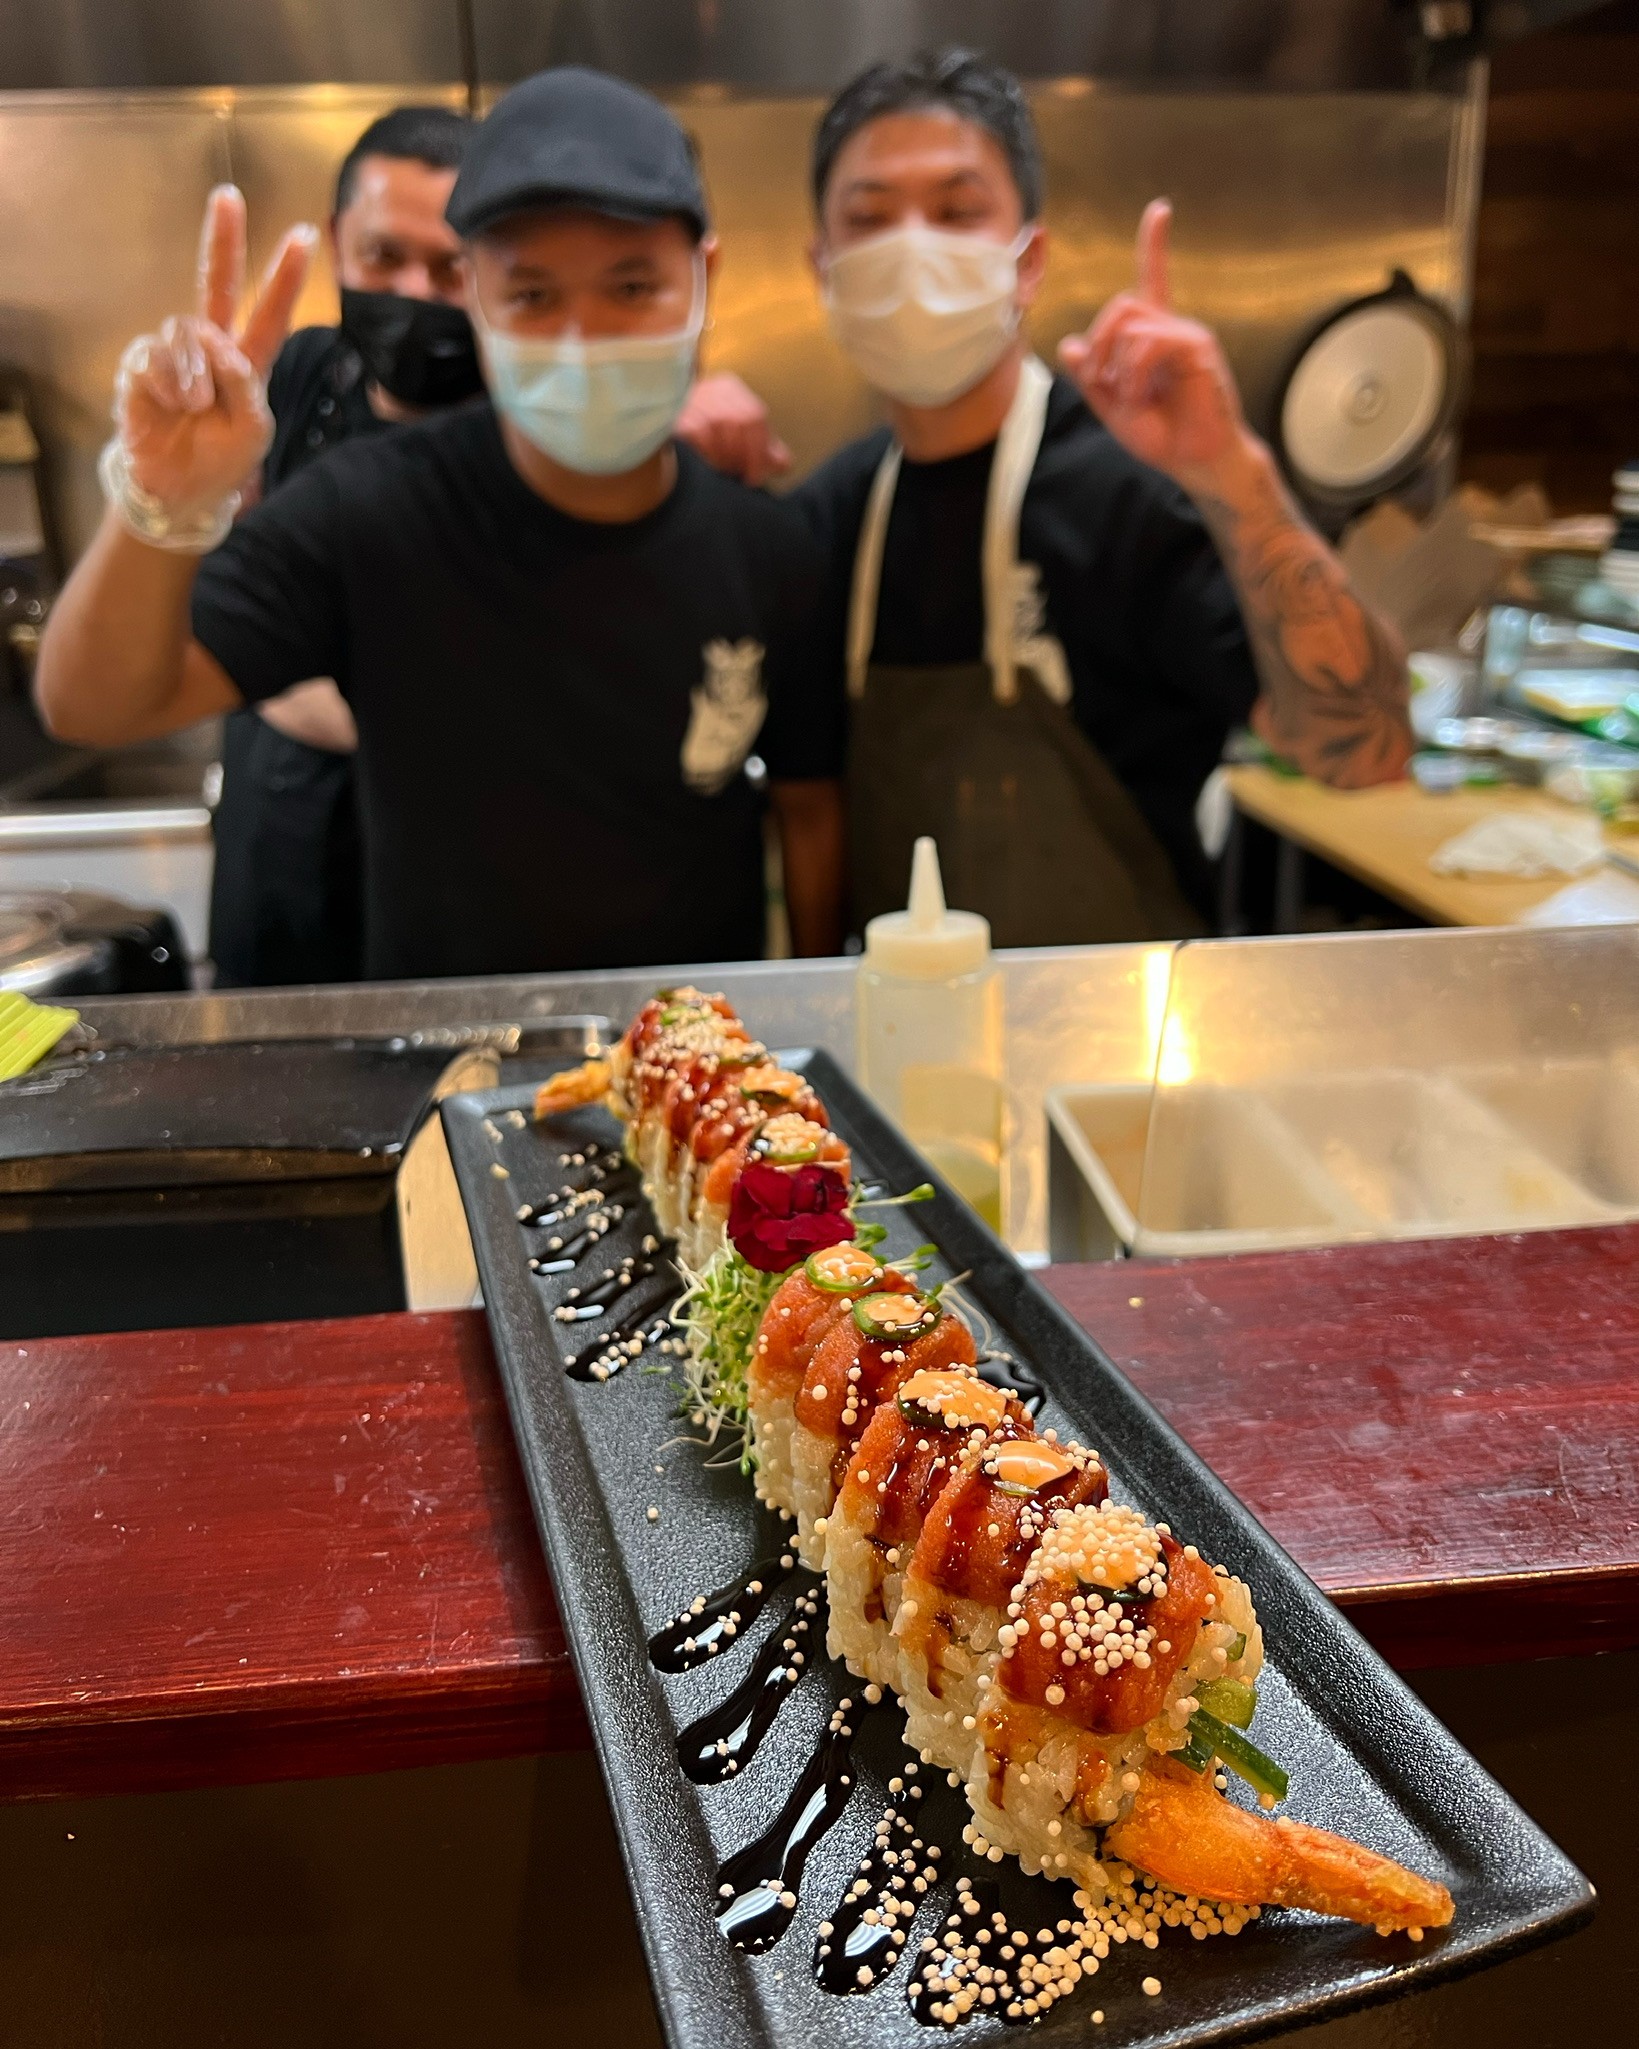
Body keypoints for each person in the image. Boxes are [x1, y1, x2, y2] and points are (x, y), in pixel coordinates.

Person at [35, 68, 845, 981]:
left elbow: (810, 805)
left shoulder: (770, 550)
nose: (583, 336)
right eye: (533, 295)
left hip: (689, 1065)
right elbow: (92, 703)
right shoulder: (369, 510)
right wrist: (163, 506)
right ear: (476, 297)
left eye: (631, 286)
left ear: (704, 278)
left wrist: (809, 1011)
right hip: (444, 1066)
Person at [796, 49, 1414, 942]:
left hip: (1126, 1059)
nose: (913, 249)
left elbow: (1369, 750)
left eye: (957, 211)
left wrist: (1229, 468)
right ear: (822, 266)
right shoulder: (829, 516)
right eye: (871, 218)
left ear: (1028, 259)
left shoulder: (1134, 494)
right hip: (895, 1050)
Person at [212, 100, 794, 988]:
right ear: (338, 243)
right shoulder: (297, 376)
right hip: (287, 846)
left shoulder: (535, 430)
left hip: (457, 890)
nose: (412, 297)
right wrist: (165, 500)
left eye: (446, 269)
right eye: (381, 257)